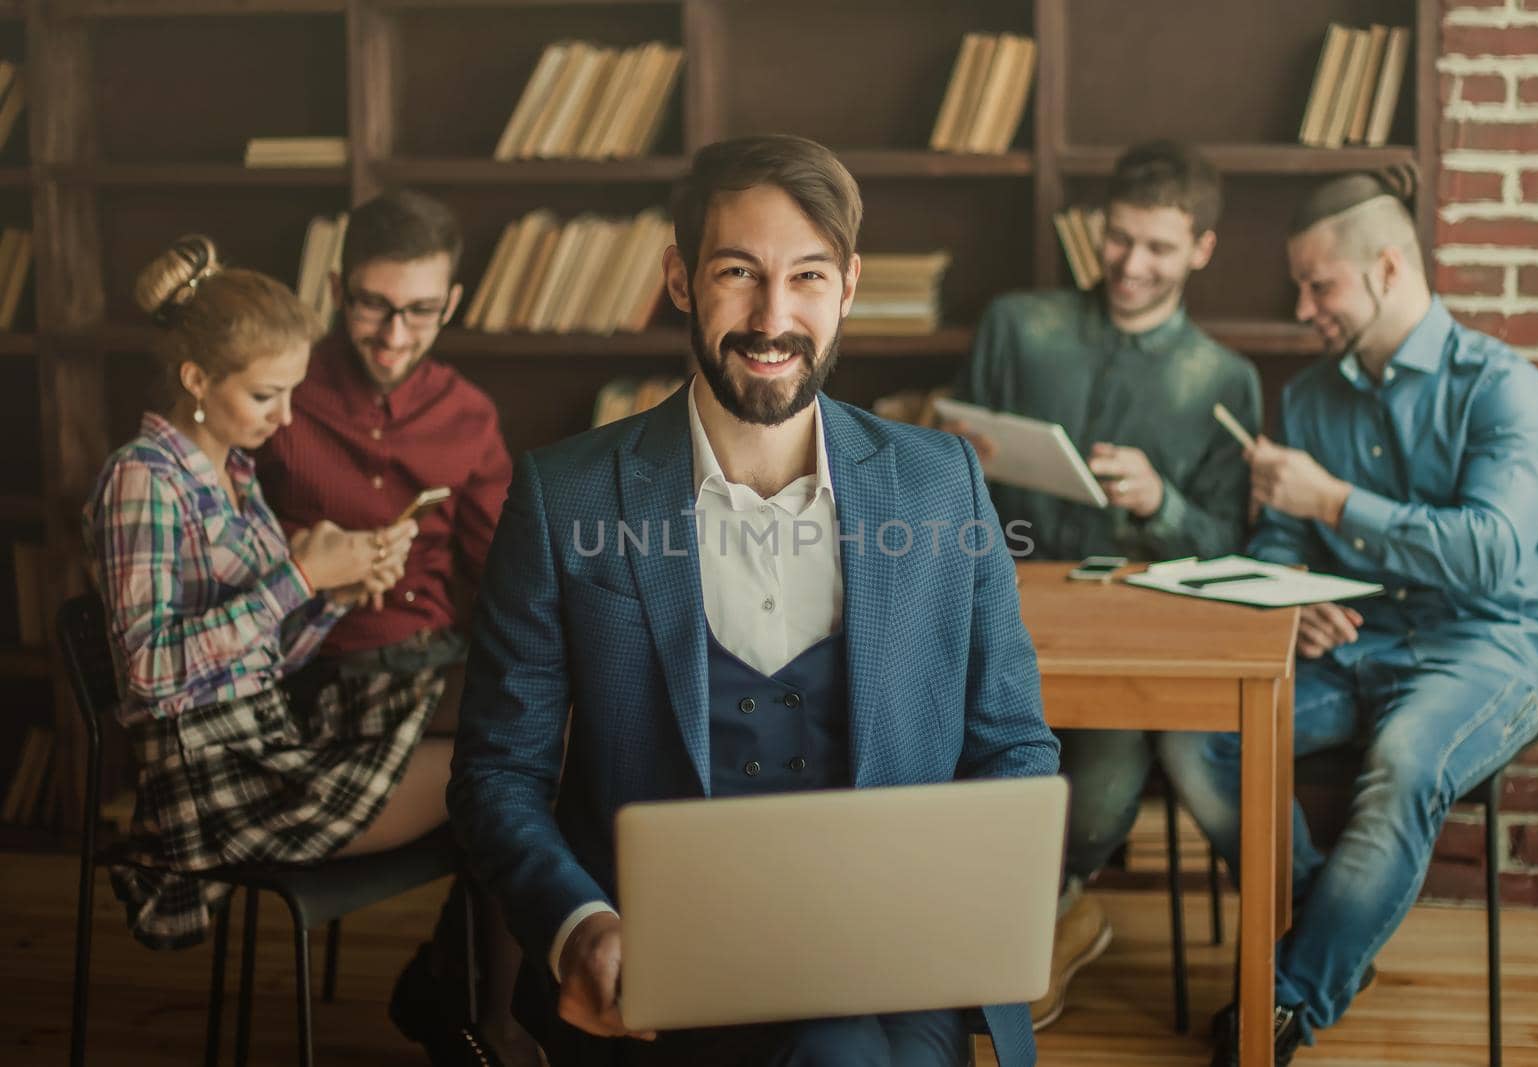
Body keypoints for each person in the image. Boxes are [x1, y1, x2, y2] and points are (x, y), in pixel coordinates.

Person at [448, 134, 1062, 1067]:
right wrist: (579, 925)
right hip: (657, 982)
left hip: (895, 970)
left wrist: (963, 911)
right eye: (739, 272)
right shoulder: (562, 496)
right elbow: (498, 772)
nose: (774, 318)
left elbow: (1015, 744)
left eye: (808, 277)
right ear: (681, 280)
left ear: (848, 287)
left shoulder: (942, 485)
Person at [1159, 174, 1538, 1066]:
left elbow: (1495, 551)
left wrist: (1336, 501)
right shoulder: (1307, 398)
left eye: (1320, 285)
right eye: (1299, 288)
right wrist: (1289, 600)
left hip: (1490, 646)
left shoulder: (1507, 388)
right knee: (1193, 734)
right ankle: (1332, 919)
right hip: (1357, 644)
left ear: (1387, 267)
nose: (1304, 308)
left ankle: (1285, 1001)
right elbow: (1275, 544)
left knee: (1405, 762)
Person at [952, 140, 1264, 1028]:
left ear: (1202, 248)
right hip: (997, 603)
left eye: (1159, 249)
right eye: (1118, 239)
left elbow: (1229, 548)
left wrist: (1161, 503)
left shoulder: (1224, 380)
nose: (1130, 265)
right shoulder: (1017, 324)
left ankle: (1045, 914)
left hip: (1131, 631)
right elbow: (955, 467)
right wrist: (956, 457)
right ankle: (1019, 925)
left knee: (1094, 802)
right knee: (941, 752)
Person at [84, 233, 436, 951]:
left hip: (269, 742)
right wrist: (301, 577)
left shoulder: (236, 476)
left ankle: (479, 1013)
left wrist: (339, 590)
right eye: (264, 395)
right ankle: (481, 1017)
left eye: (292, 393)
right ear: (196, 379)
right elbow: (150, 669)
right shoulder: (143, 479)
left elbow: (264, 657)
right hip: (214, 782)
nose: (284, 419)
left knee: (503, 726)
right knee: (502, 779)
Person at [253, 189, 525, 1065]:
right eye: (373, 305)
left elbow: (507, 573)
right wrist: (298, 555)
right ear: (337, 287)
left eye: (420, 311)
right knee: (524, 768)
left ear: (453, 303)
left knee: (566, 733)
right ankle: (467, 1008)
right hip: (321, 679)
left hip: (437, 662)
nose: (394, 334)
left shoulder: (468, 414)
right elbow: (216, 561)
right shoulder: (276, 389)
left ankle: (468, 1003)